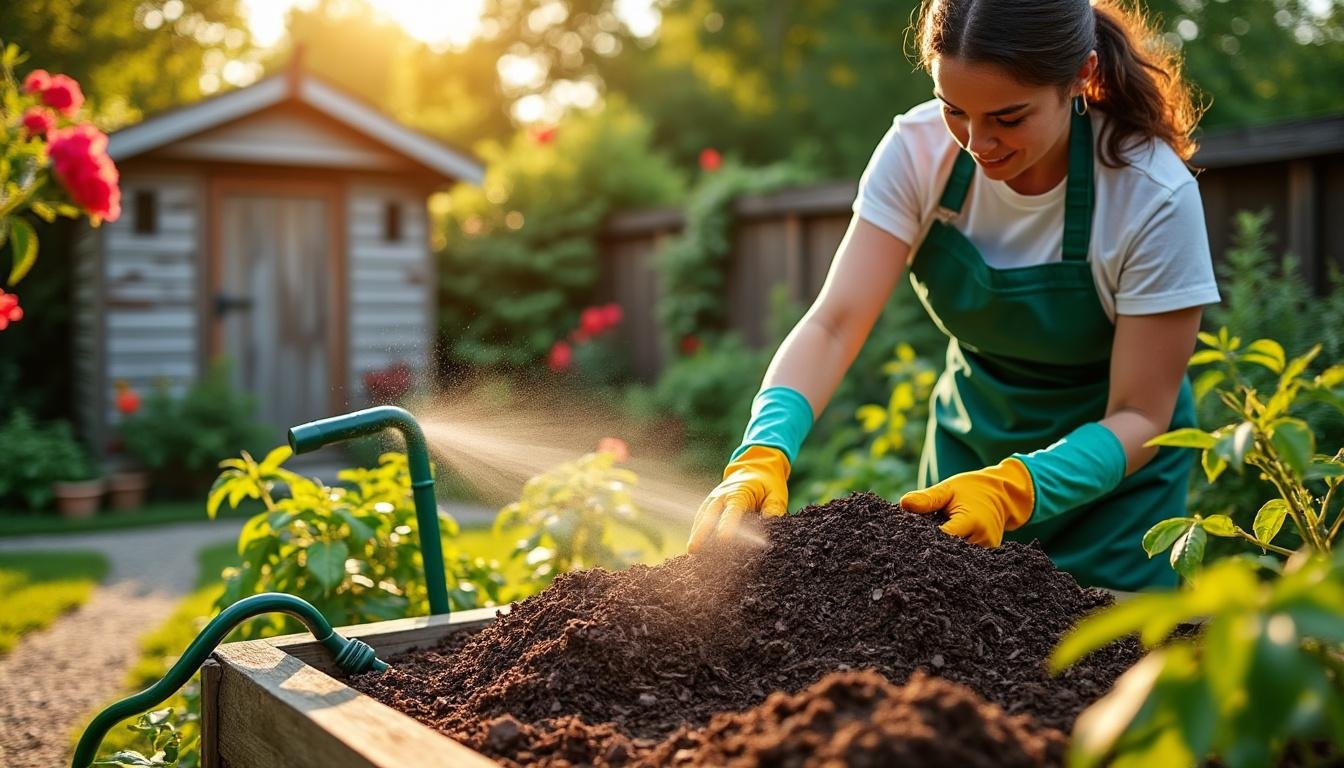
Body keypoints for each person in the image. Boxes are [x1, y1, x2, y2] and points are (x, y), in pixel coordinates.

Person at [686, 0, 1220, 591]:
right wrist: (763, 449)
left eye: (1009, 117)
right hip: (966, 467)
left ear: (1081, 77)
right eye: (954, 110)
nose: (978, 141)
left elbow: (1142, 414)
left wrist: (1014, 487)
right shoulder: (917, 153)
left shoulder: (1150, 195)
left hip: (1116, 495)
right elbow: (835, 323)